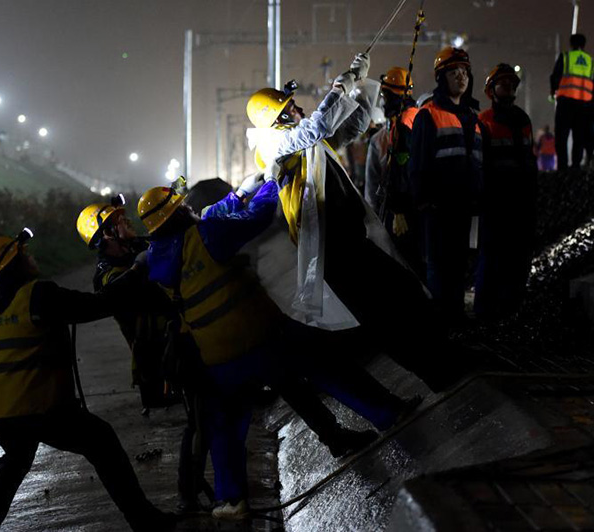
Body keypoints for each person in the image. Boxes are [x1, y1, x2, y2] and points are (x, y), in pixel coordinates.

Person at [138, 183, 419, 520]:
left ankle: (231, 501)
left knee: (224, 427)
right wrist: (271, 186)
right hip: (261, 333)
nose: (190, 209)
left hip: (217, 358)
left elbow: (215, 218)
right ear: (180, 213)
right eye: (184, 207)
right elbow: (256, 218)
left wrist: (235, 196)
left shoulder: (157, 260)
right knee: (327, 364)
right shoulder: (207, 235)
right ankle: (388, 412)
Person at [244, 55, 455, 392]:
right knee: (384, 318)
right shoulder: (273, 146)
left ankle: (444, 362)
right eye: (290, 108)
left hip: (350, 242)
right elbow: (318, 126)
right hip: (333, 251)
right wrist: (341, 86)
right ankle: (437, 375)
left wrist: (360, 87)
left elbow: (350, 127)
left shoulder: (305, 144)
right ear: (277, 119)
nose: (297, 110)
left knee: (405, 293)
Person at [0, 229, 174, 532]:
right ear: (14, 264)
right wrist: (137, 269)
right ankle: (145, 521)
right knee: (102, 441)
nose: (30, 256)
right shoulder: (37, 294)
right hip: (35, 406)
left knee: (16, 458)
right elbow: (98, 305)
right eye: (23, 254)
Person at [76, 200, 214, 512]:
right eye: (121, 222)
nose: (129, 224)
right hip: (163, 358)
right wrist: (142, 264)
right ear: (109, 234)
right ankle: (188, 496)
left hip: (183, 342)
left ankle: (193, 491)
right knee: (200, 419)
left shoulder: (136, 250)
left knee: (205, 415)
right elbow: (120, 291)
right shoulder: (107, 275)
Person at [409, 46, 483, 324]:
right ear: (442, 77)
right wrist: (423, 200)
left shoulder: (471, 118)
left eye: (464, 72)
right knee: (439, 266)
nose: (461, 77)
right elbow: (418, 161)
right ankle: (439, 322)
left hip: (463, 206)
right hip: (438, 206)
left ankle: (454, 317)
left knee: (458, 263)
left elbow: (477, 163)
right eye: (454, 72)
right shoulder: (429, 114)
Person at [475, 64, 537, 320]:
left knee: (517, 258)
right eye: (503, 83)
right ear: (491, 90)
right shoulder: (484, 121)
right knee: (491, 257)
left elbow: (528, 160)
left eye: (512, 83)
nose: (509, 87)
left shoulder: (523, 119)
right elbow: (481, 163)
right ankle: (485, 311)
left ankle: (512, 308)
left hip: (519, 200)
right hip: (494, 200)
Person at [365, 66, 423, 277]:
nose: (383, 100)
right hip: (411, 205)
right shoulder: (411, 118)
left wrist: (397, 208)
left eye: (385, 95)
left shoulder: (404, 123)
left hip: (403, 208)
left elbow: (401, 166)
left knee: (402, 264)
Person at [550, 33, 594, 170]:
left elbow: (555, 77)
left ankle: (562, 168)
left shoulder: (565, 57)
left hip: (565, 103)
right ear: (584, 45)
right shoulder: (591, 62)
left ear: (571, 44)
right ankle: (576, 168)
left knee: (562, 137)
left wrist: (553, 92)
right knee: (579, 138)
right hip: (584, 106)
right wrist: (592, 104)